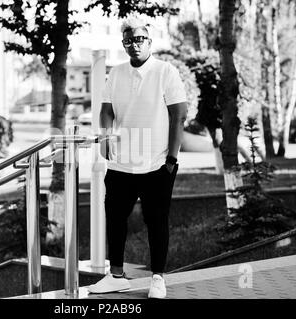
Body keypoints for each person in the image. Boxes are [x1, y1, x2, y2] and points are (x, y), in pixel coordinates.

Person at [87, 17, 188, 299]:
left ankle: (158, 278)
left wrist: (171, 158)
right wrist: (105, 137)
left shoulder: (165, 71)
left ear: (150, 42)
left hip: (157, 163)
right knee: (115, 219)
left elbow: (178, 115)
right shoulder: (116, 73)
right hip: (121, 163)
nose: (135, 45)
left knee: (156, 221)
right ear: (123, 44)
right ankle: (116, 275)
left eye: (140, 39)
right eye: (129, 41)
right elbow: (106, 110)